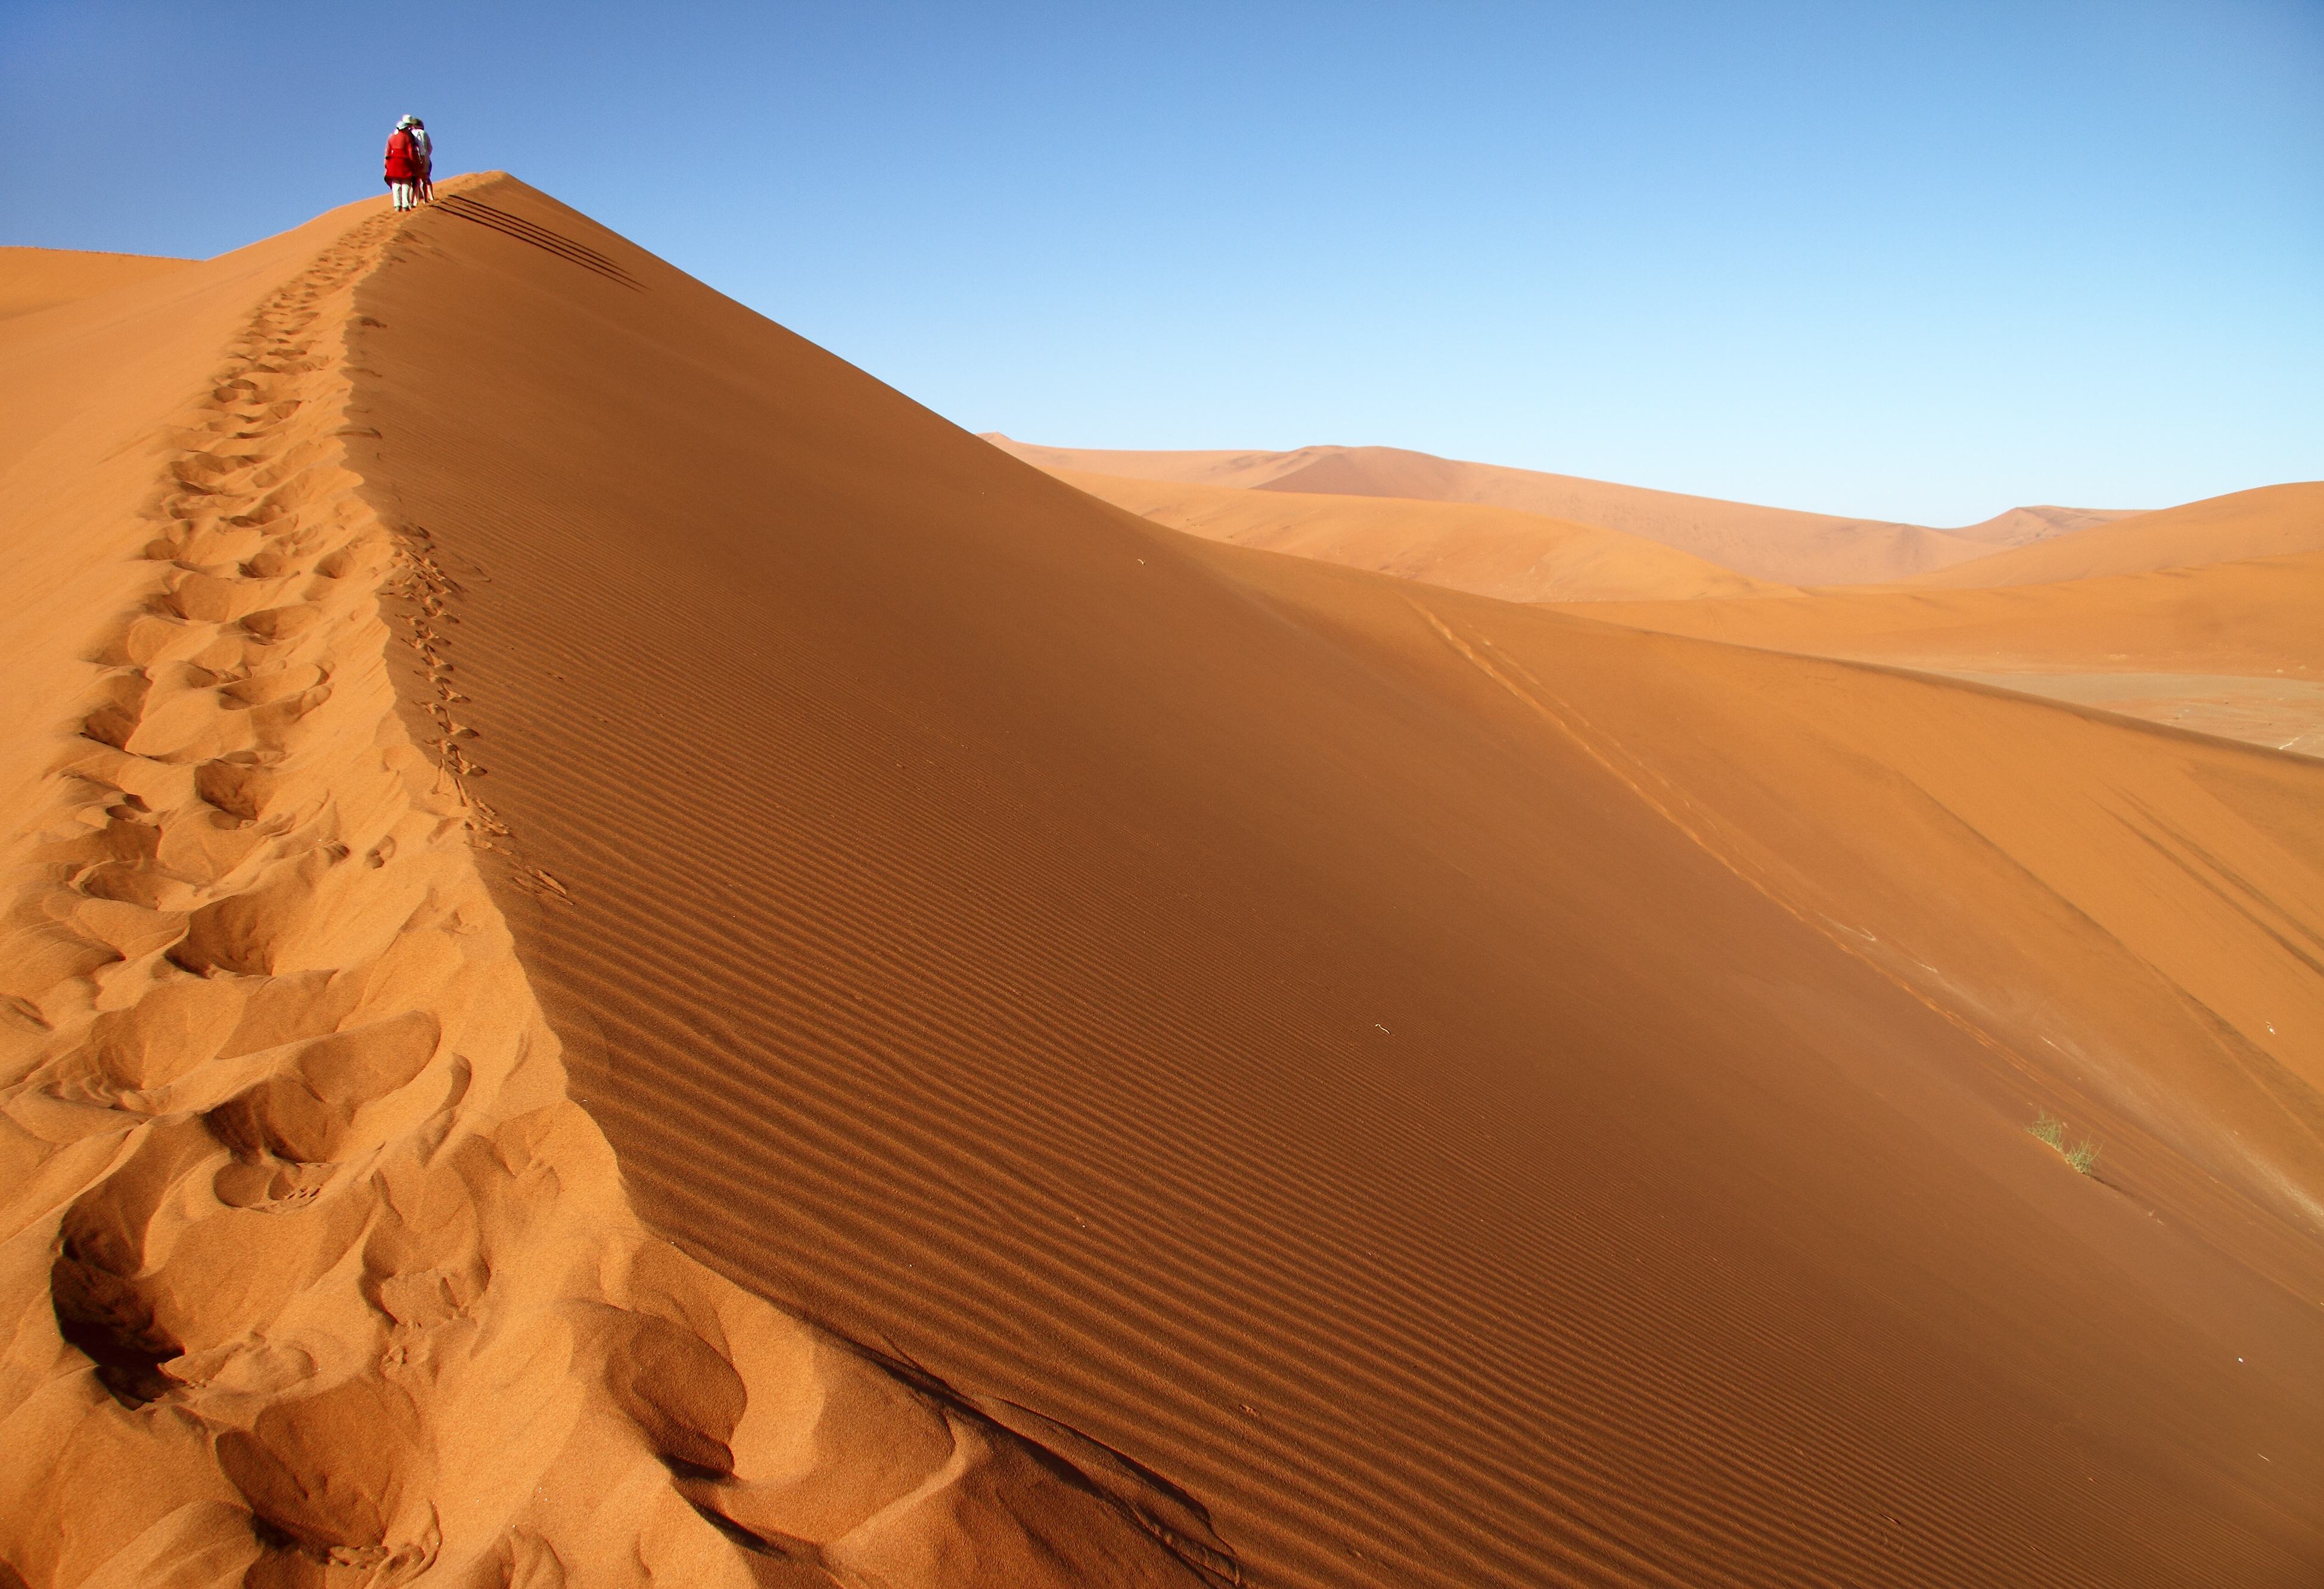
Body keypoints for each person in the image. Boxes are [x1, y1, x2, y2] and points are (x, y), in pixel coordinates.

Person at [383, 117, 422, 212]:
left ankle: (397, 205)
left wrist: (386, 165)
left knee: (396, 185)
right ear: (404, 129)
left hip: (393, 163)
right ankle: (405, 205)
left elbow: (387, 153)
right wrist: (414, 165)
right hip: (404, 163)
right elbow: (410, 153)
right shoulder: (407, 138)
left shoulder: (391, 138)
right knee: (406, 184)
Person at [410, 117, 435, 204]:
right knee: (426, 179)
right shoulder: (424, 133)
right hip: (425, 158)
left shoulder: (411, 133)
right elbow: (430, 148)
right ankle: (429, 197)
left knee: (415, 180)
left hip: (414, 159)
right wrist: (426, 156)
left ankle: (415, 201)